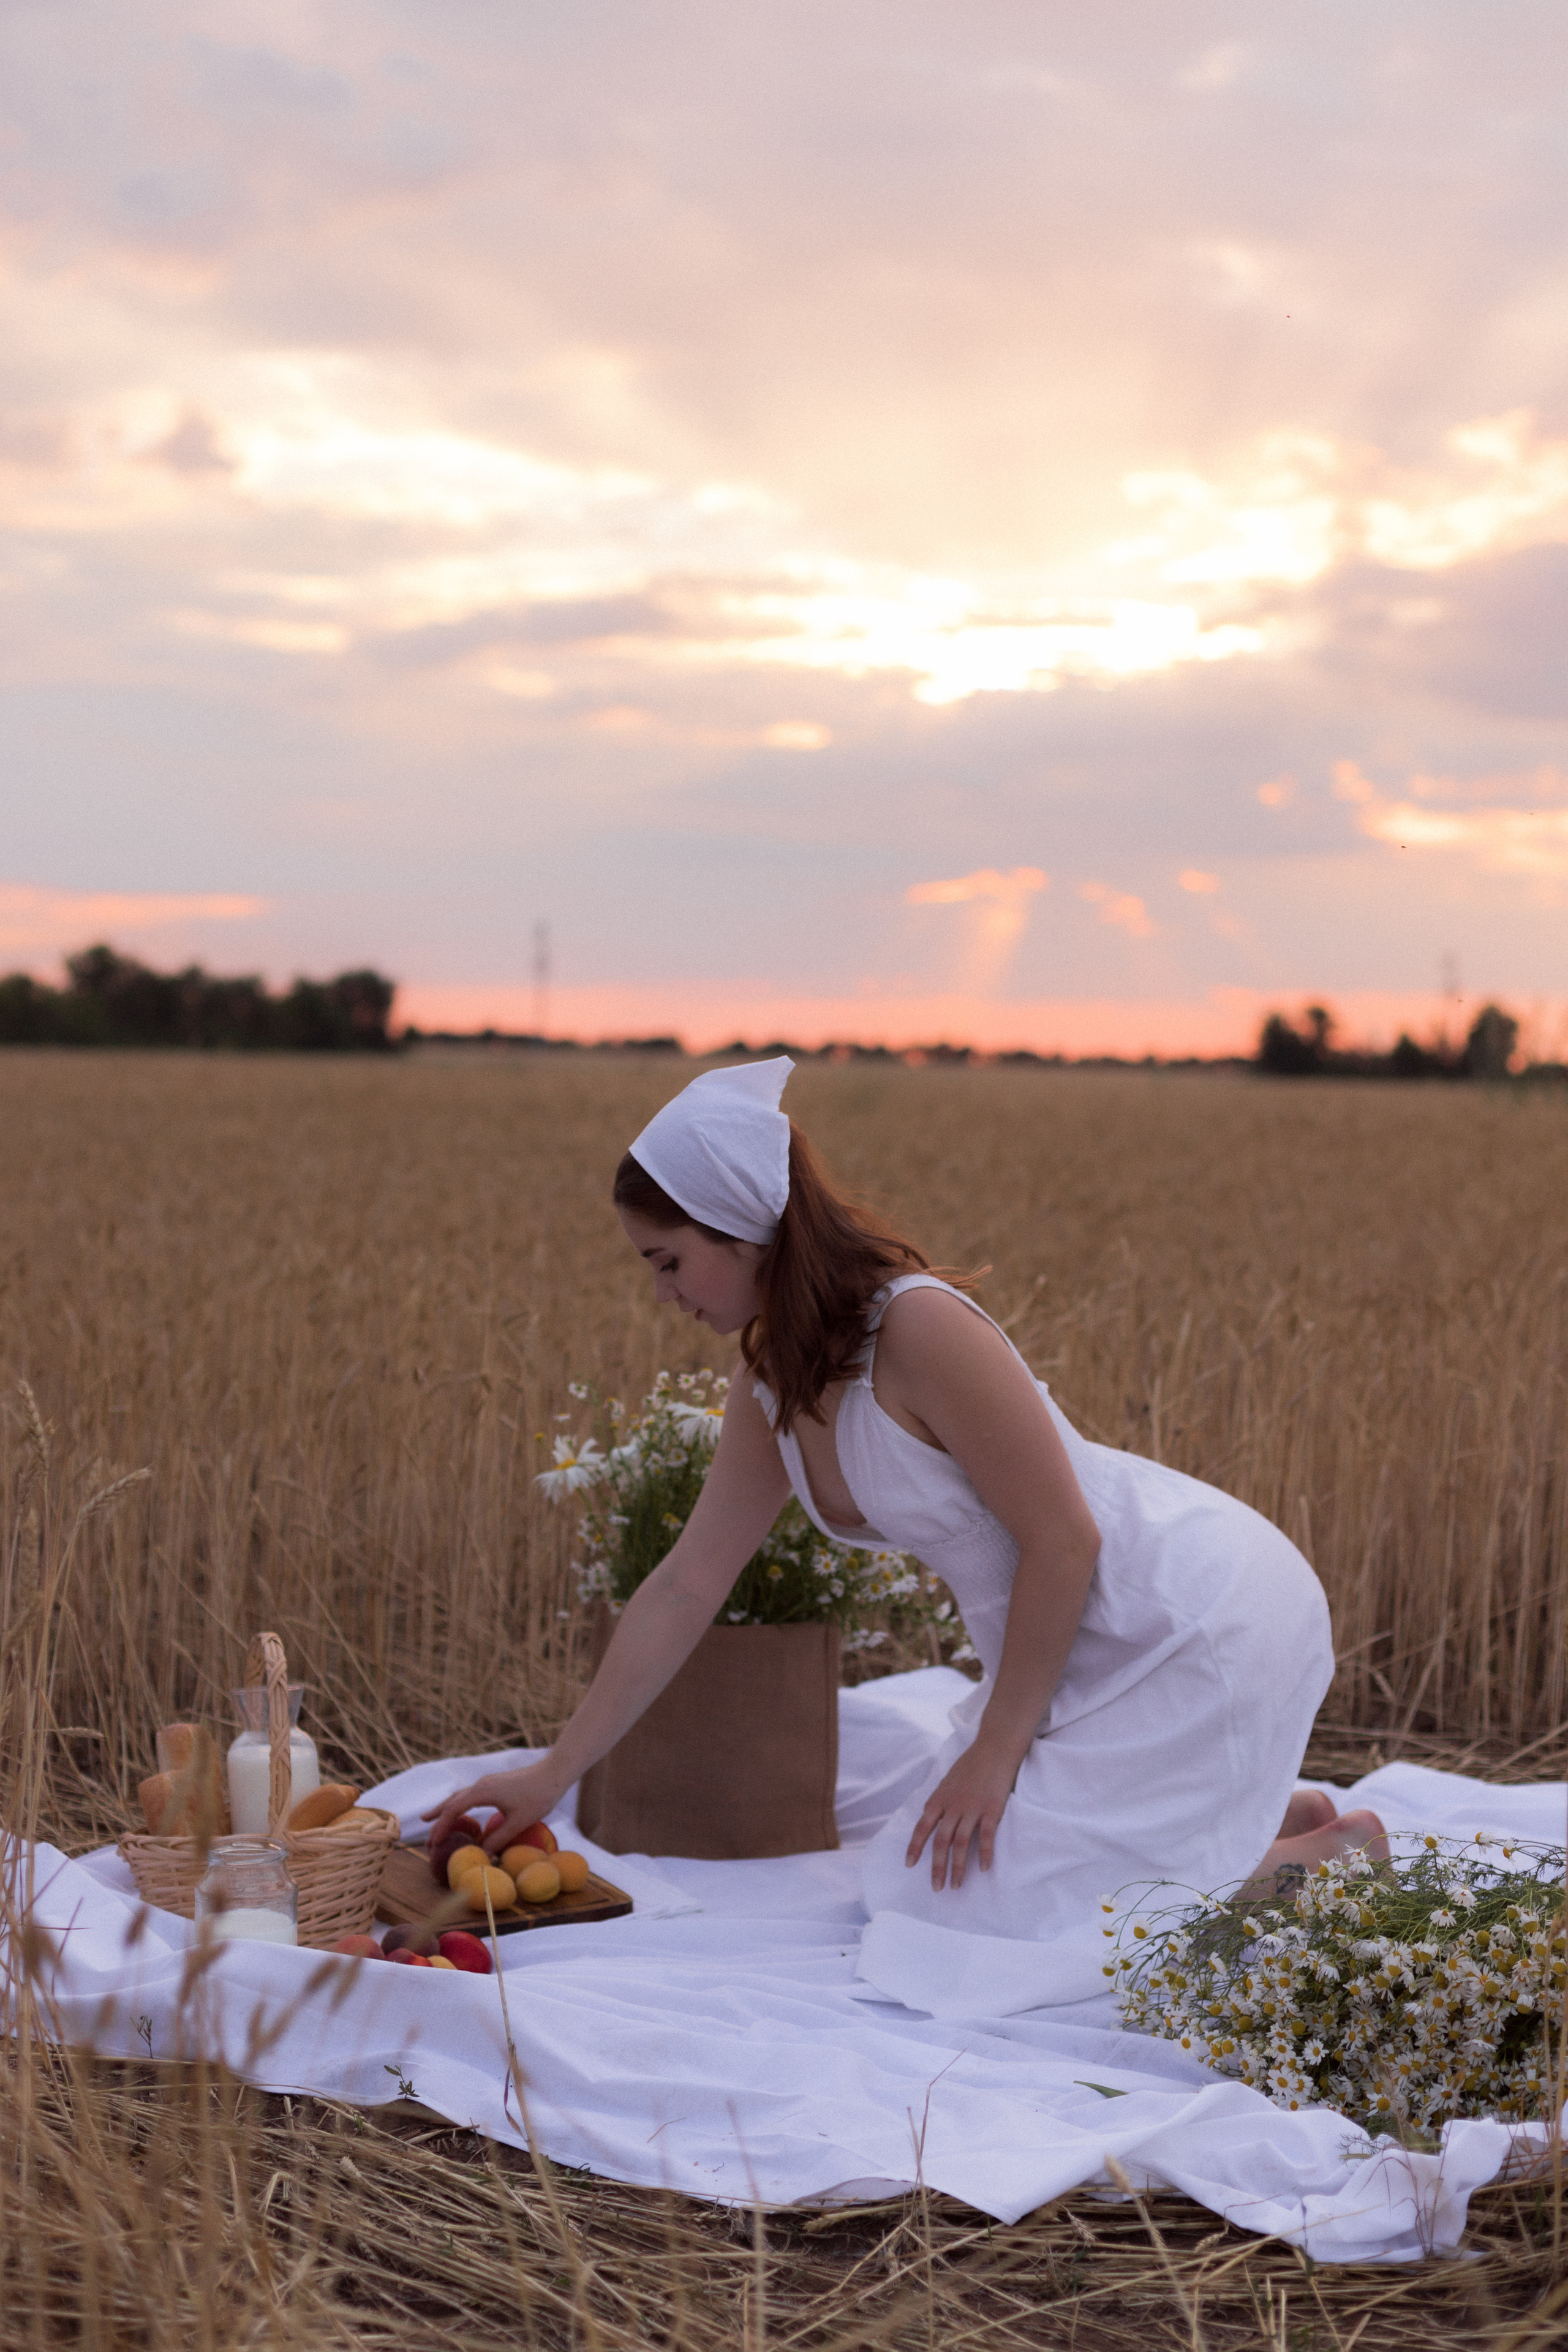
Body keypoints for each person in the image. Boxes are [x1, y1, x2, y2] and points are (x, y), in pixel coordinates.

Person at [427, 1057, 1384, 1938]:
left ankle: (1329, 1860)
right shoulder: (773, 1388)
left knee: (1041, 1933)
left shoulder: (918, 1327)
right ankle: (1254, 1830)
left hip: (1186, 1615)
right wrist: (555, 1772)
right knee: (922, 1897)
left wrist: (995, 1753)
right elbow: (686, 1585)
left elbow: (1066, 1541)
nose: (663, 1294)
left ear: (739, 1226)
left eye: (667, 1261)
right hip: (1064, 1651)